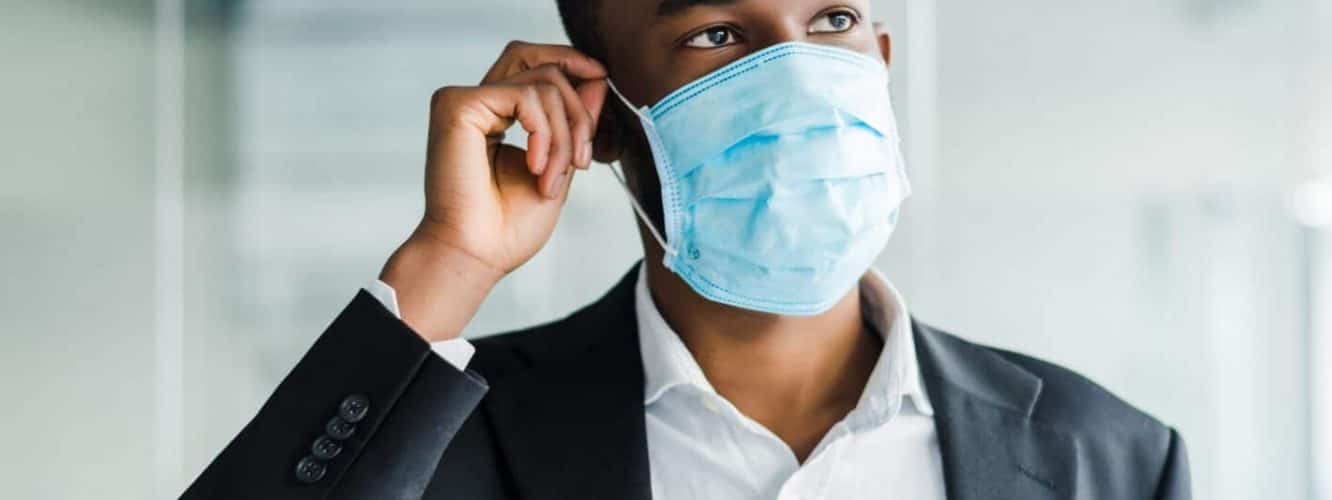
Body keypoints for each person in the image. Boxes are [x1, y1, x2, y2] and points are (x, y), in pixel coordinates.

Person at [179, 0, 1189, 498]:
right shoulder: (449, 441)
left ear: (879, 60)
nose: (796, 74)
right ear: (604, 116)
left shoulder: (1111, 458)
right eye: (717, 34)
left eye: (831, 17)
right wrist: (449, 263)